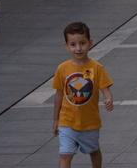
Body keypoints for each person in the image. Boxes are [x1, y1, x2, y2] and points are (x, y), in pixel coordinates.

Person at [53, 22, 113, 168]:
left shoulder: (96, 67)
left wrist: (108, 97)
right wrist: (56, 119)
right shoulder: (62, 68)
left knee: (94, 151)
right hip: (67, 121)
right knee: (65, 155)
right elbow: (59, 94)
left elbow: (104, 87)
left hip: (89, 122)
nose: (78, 48)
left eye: (82, 43)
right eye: (73, 44)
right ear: (66, 46)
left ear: (90, 43)